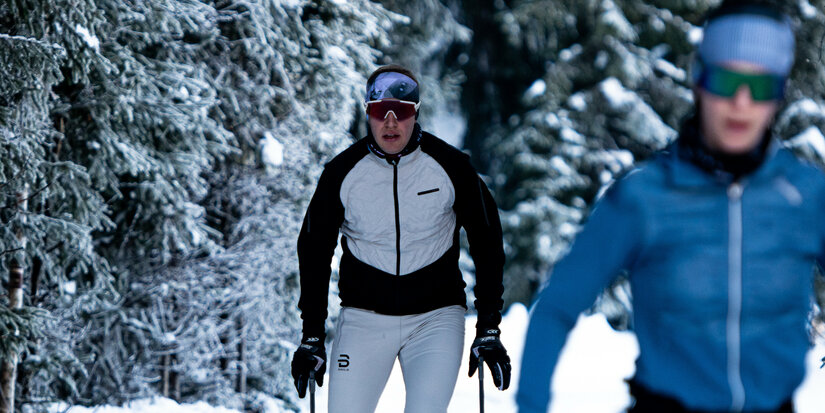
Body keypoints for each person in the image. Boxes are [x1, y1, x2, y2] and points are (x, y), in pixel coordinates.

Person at [517, 1, 823, 412]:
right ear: (700, 78)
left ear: (779, 93)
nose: (742, 103)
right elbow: (556, 308)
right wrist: (531, 405)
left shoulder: (807, 196)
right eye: (727, 80)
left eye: (762, 86)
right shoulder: (643, 199)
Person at [291, 64, 511, 413]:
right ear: (368, 113)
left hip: (435, 318)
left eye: (402, 111)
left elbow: (488, 243)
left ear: (415, 113)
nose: (390, 122)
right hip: (363, 318)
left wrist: (488, 328)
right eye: (381, 111)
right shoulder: (341, 174)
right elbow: (314, 253)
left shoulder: (452, 167)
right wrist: (312, 335)